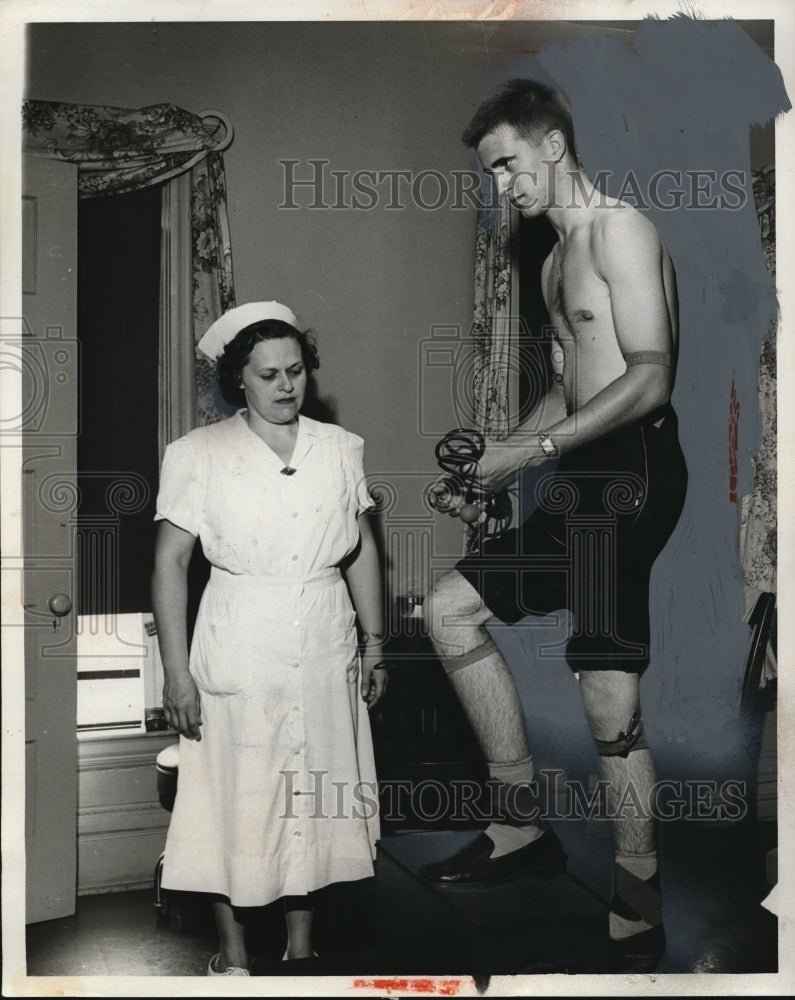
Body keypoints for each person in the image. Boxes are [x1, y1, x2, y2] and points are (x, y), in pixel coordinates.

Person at [419, 80, 688, 968]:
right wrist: (497, 458)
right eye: (491, 173)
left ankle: (625, 887)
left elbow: (648, 376)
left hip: (634, 474)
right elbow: (570, 392)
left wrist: (529, 455)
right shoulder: (550, 261)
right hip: (582, 473)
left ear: (552, 145)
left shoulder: (620, 231)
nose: (502, 185)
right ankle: (524, 830)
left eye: (507, 164)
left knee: (599, 695)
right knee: (454, 614)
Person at [151, 301, 387, 976]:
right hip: (238, 641)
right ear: (238, 380)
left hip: (323, 640)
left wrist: (375, 642)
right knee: (233, 801)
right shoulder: (197, 454)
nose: (286, 386)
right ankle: (233, 962)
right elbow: (169, 564)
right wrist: (176, 673)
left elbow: (360, 551)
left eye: (296, 370)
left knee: (311, 795)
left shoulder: (339, 448)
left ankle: (301, 953)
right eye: (268, 375)